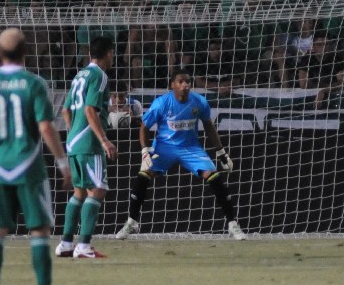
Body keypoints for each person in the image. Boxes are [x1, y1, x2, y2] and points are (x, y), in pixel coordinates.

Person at [0, 28, 73, 285]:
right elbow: (46, 127)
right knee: (39, 230)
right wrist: (63, 164)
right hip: (30, 167)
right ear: (26, 52)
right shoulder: (34, 83)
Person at [115, 68, 247, 240]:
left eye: (188, 82)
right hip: (164, 148)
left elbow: (208, 126)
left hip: (190, 148)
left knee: (214, 177)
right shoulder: (162, 103)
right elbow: (144, 127)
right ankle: (131, 222)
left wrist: (222, 153)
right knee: (143, 176)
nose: (185, 85)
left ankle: (233, 224)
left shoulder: (199, 102)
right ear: (172, 85)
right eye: (180, 82)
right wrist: (145, 152)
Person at [54, 37, 118, 260]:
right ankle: (83, 246)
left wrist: (73, 133)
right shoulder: (100, 76)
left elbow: (65, 110)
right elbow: (90, 110)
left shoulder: (80, 74)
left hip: (73, 142)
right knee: (98, 189)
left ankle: (65, 244)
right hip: (89, 143)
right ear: (109, 53)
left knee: (79, 192)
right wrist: (103, 140)